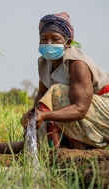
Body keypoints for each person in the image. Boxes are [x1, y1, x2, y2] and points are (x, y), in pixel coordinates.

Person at [21, 12, 109, 150]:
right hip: (87, 111)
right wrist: (34, 117)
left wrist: (45, 115)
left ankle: (81, 146)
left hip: (104, 110)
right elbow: (42, 94)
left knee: (58, 91)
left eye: (55, 39)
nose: (48, 43)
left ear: (68, 42)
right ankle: (61, 146)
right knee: (46, 104)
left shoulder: (77, 63)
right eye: (44, 38)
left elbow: (80, 109)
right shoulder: (44, 63)